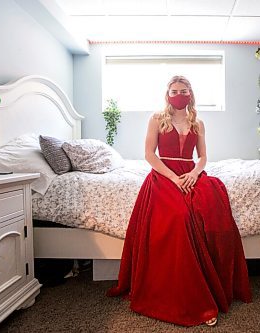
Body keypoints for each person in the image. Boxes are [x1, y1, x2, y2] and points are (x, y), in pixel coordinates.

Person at [107, 75, 252, 327]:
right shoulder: (156, 119)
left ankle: (212, 281)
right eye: (174, 91)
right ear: (167, 94)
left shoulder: (198, 122)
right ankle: (189, 294)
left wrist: (194, 174)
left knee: (212, 210)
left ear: (190, 94)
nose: (178, 94)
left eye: (183, 90)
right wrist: (175, 178)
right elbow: (149, 155)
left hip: (192, 174)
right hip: (164, 176)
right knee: (179, 216)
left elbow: (204, 156)